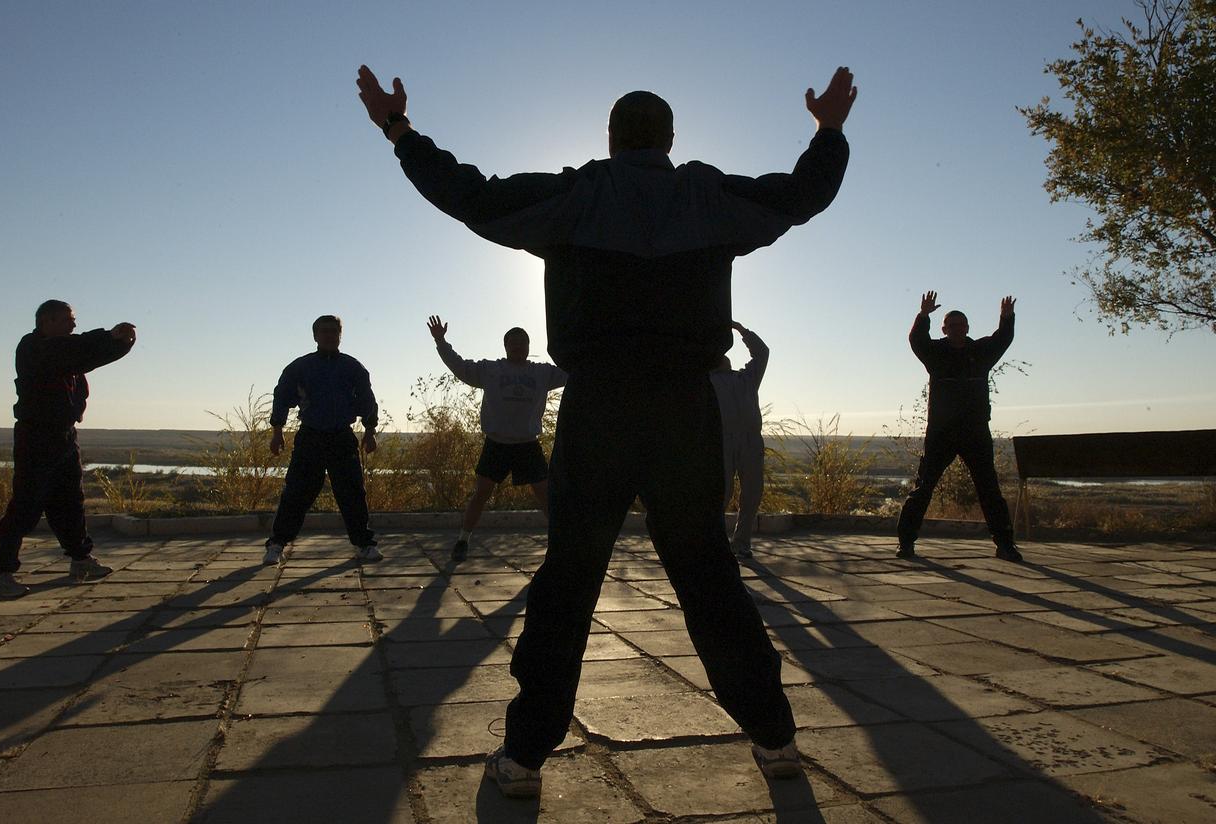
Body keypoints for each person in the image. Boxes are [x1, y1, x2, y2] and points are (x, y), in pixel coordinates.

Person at [357, 63, 855, 797]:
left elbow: (470, 194)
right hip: (688, 411)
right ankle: (775, 740)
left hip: (602, 408)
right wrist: (830, 130)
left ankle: (524, 757)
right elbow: (803, 194)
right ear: (672, 140)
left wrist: (398, 130)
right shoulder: (710, 198)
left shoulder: (574, 197)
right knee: (709, 575)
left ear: (612, 139)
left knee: (570, 577)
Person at [0, 300, 137, 598]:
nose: (73, 325)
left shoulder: (65, 354)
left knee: (69, 500)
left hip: (63, 435)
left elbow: (83, 365)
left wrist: (119, 344)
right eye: (68, 320)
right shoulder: (34, 348)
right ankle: (1, 574)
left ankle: (80, 560)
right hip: (36, 437)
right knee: (27, 504)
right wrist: (110, 337)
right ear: (48, 321)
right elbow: (79, 351)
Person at [896, 291, 1023, 562]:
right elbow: (916, 340)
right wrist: (923, 316)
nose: (957, 330)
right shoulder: (935, 354)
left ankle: (1005, 545)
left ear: (968, 328)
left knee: (989, 488)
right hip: (941, 432)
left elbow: (1003, 339)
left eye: (962, 325)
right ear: (944, 329)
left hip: (975, 432)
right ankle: (905, 543)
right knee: (924, 487)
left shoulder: (980, 352)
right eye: (952, 326)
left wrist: (1006, 317)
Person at [427, 315, 566, 561]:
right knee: (481, 493)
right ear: (505, 346)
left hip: (528, 444)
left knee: (545, 494)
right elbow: (459, 366)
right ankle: (463, 539)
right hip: (497, 444)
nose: (518, 346)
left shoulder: (542, 373)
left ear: (529, 346)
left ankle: (562, 542)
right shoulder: (491, 370)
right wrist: (441, 341)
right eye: (513, 342)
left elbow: (574, 372)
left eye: (523, 342)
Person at [263, 315, 381, 566]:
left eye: (334, 331)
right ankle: (276, 544)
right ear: (315, 336)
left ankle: (364, 544)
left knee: (352, 493)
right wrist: (277, 431)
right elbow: (281, 396)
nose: (329, 335)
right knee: (296, 492)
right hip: (311, 437)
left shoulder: (353, 368)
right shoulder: (301, 367)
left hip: (341, 437)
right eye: (324, 331)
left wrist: (370, 431)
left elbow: (368, 401)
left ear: (340, 335)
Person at [710, 321, 769, 559]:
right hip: (722, 441)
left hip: (751, 441)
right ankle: (714, 543)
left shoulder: (747, 379)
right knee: (721, 493)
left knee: (753, 492)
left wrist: (742, 331)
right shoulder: (707, 379)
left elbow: (762, 353)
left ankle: (741, 542)